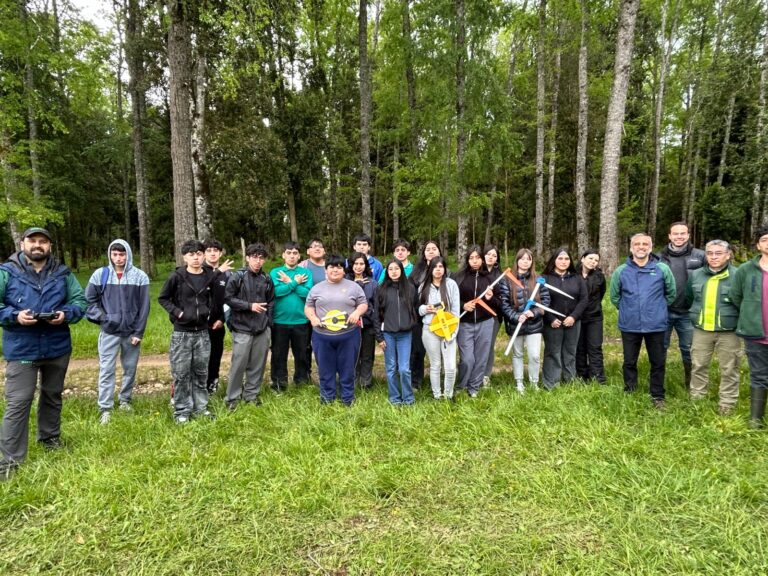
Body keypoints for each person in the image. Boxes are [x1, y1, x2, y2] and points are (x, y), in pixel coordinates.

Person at [0, 227, 86, 481]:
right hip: (21, 348)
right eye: (33, 241)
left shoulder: (62, 273)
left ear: (49, 246)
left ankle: (49, 439)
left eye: (43, 242)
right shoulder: (6, 272)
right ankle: (9, 461)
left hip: (57, 346)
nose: (38, 245)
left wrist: (65, 314)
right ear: (22, 244)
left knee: (52, 395)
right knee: (18, 402)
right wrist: (14, 316)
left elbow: (80, 301)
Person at [158, 240, 225, 424]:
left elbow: (216, 298)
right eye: (191, 254)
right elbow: (163, 298)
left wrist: (209, 313)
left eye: (198, 254)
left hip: (203, 333)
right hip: (182, 334)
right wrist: (179, 313)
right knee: (181, 374)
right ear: (184, 257)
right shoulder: (177, 277)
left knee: (201, 372)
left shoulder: (209, 276)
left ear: (203, 256)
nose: (195, 257)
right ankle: (182, 411)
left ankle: (200, 408)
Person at [85, 239, 150, 424]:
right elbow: (89, 300)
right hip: (109, 332)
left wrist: (138, 332)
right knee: (106, 369)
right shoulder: (100, 275)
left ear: (128, 254)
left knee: (130, 368)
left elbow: (144, 307)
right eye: (115, 254)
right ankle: (105, 407)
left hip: (131, 333)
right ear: (110, 255)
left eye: (122, 254)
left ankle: (125, 400)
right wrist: (104, 318)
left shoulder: (140, 277)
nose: (119, 258)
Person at [610, 233, 676, 409]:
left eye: (645, 244)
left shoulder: (662, 269)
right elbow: (615, 296)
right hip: (629, 324)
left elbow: (671, 293)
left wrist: (657, 309)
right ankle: (630, 390)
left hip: (656, 324)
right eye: (637, 244)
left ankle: (657, 395)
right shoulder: (621, 271)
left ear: (651, 247)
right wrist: (628, 309)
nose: (641, 247)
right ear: (631, 248)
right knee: (629, 361)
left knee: (658, 361)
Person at [686, 240, 741, 415]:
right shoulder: (696, 275)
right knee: (698, 365)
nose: (714, 257)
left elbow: (744, 303)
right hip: (701, 330)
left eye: (718, 253)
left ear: (728, 255)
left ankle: (727, 403)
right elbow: (689, 298)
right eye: (710, 253)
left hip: (729, 331)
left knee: (730, 368)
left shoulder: (738, 275)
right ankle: (697, 398)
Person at [304, 255, 368, 405]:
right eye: (332, 267)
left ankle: (348, 398)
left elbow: (363, 304)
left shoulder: (354, 287)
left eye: (339, 267)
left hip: (349, 335)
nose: (335, 270)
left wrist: (357, 313)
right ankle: (327, 398)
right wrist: (313, 318)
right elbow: (308, 307)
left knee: (347, 369)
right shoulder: (316, 288)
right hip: (322, 336)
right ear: (326, 270)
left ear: (344, 270)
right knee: (325, 369)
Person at [225, 243, 274, 410]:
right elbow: (228, 298)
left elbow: (271, 302)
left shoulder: (266, 278)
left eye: (261, 258)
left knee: (257, 365)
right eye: (254, 257)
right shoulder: (237, 276)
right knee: (238, 365)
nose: (258, 261)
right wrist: (249, 306)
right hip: (242, 328)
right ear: (247, 258)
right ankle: (232, 399)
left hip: (262, 328)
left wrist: (268, 324)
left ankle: (251, 396)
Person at [658, 222, 706, 390]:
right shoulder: (658, 257)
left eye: (682, 233)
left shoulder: (700, 256)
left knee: (689, 348)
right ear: (669, 236)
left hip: (688, 312)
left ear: (688, 235)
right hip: (663, 311)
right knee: (660, 347)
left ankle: (691, 383)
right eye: (675, 233)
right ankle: (658, 383)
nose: (679, 236)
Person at [729, 227, 768, 427]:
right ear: (758, 245)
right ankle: (756, 419)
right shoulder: (745, 270)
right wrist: (750, 314)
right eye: (765, 239)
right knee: (759, 375)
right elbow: (735, 296)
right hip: (756, 333)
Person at [499, 248, 550, 394]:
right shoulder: (507, 280)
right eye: (522, 259)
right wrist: (516, 317)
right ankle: (519, 383)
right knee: (518, 354)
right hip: (515, 324)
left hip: (534, 325)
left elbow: (545, 302)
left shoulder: (538, 279)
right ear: (517, 260)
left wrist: (533, 313)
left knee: (534, 355)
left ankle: (534, 383)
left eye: (528, 259)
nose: (525, 262)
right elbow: (504, 304)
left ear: (532, 262)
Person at [540, 248, 588, 390]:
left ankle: (570, 381)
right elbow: (540, 300)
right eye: (560, 258)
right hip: (552, 322)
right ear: (554, 260)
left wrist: (573, 317)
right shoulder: (545, 278)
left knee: (570, 352)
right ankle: (551, 383)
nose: (563, 261)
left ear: (570, 261)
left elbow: (584, 299)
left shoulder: (577, 278)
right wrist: (550, 318)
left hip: (573, 322)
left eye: (566, 259)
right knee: (552, 352)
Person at [455, 245, 499, 397]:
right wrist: (463, 305)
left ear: (482, 259)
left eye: (477, 258)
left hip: (485, 323)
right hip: (464, 324)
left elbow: (499, 304)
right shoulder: (458, 277)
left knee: (481, 358)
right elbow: (450, 300)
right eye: (471, 258)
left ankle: (474, 388)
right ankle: (462, 386)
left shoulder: (490, 279)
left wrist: (490, 298)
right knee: (467, 359)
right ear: (467, 260)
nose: (474, 261)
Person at [270, 241, 313, 392]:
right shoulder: (275, 272)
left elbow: (307, 294)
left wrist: (289, 283)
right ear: (283, 255)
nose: (292, 256)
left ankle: (302, 382)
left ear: (299, 256)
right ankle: (279, 383)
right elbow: (276, 292)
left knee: (302, 354)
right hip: (279, 320)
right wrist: (295, 283)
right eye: (289, 253)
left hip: (301, 320)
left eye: (295, 253)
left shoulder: (306, 273)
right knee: (278, 354)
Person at [418, 256, 460, 400]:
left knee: (450, 367)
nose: (438, 270)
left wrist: (452, 333)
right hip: (430, 329)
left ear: (445, 269)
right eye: (435, 267)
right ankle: (437, 395)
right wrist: (426, 309)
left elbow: (456, 311)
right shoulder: (423, 286)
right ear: (430, 269)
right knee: (435, 365)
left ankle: (448, 395)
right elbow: (418, 310)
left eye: (441, 267)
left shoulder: (451, 285)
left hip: (448, 330)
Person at [377, 260, 418, 405]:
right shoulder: (381, 289)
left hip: (405, 334)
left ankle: (408, 398)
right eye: (390, 269)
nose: (394, 271)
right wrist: (379, 337)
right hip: (388, 334)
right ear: (387, 272)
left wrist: (411, 323)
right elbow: (377, 315)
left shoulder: (410, 288)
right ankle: (394, 398)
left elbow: (415, 308)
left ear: (401, 270)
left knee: (404, 369)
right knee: (391, 368)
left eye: (396, 268)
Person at [409, 240, 443, 389]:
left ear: (439, 251)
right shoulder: (416, 273)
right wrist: (420, 309)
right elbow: (411, 296)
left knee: (440, 351)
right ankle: (416, 382)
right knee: (417, 351)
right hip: (419, 318)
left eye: (434, 248)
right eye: (428, 249)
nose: (431, 251)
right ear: (424, 253)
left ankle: (439, 381)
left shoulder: (446, 271)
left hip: (440, 317)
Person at [203, 239, 233, 394]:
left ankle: (212, 387)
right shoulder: (199, 271)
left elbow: (230, 299)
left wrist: (222, 319)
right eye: (209, 250)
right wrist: (217, 272)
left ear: (221, 253)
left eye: (216, 250)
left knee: (215, 357)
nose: (212, 253)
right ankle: (198, 389)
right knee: (200, 358)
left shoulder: (228, 274)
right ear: (204, 254)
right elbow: (200, 289)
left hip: (218, 324)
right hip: (200, 324)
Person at [346, 252, 378, 389]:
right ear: (351, 265)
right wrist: (357, 285)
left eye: (361, 264)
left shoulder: (372, 283)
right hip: (349, 325)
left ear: (366, 265)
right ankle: (352, 381)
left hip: (368, 324)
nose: (358, 267)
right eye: (356, 263)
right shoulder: (344, 281)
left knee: (367, 354)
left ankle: (365, 383)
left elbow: (375, 305)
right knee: (351, 355)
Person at [575, 249, 607, 384]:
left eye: (596, 260)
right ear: (582, 258)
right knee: (579, 347)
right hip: (577, 317)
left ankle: (597, 378)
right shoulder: (573, 275)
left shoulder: (599, 276)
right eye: (590, 258)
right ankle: (581, 376)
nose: (593, 262)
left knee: (595, 347)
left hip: (594, 317)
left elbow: (602, 293)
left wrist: (594, 307)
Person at [482, 245, 503, 388]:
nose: (491, 257)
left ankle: (485, 376)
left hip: (494, 317)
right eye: (488, 254)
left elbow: (502, 302)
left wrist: (491, 298)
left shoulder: (500, 277)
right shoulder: (477, 273)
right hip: (476, 316)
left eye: (494, 255)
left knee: (488, 346)